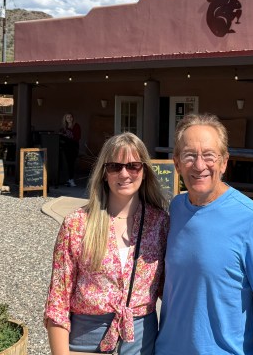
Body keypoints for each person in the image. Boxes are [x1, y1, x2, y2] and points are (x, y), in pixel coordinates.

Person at [155, 113, 253, 355]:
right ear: (176, 163)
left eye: (209, 155)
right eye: (190, 155)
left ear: (224, 162)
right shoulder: (176, 209)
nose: (199, 165)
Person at [45, 132, 169, 354]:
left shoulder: (159, 223)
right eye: (114, 166)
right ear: (104, 172)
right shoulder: (77, 224)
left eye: (133, 166)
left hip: (140, 343)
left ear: (144, 171)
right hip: (85, 342)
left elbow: (172, 289)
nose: (124, 173)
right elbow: (58, 301)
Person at [60, 113, 81, 187]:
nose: (69, 118)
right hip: (66, 148)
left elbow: (77, 137)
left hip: (74, 147)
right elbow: (61, 137)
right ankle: (69, 179)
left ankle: (71, 180)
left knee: (72, 163)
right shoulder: (64, 128)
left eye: (70, 117)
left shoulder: (76, 126)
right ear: (65, 119)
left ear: (73, 118)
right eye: (67, 117)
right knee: (67, 163)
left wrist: (67, 137)